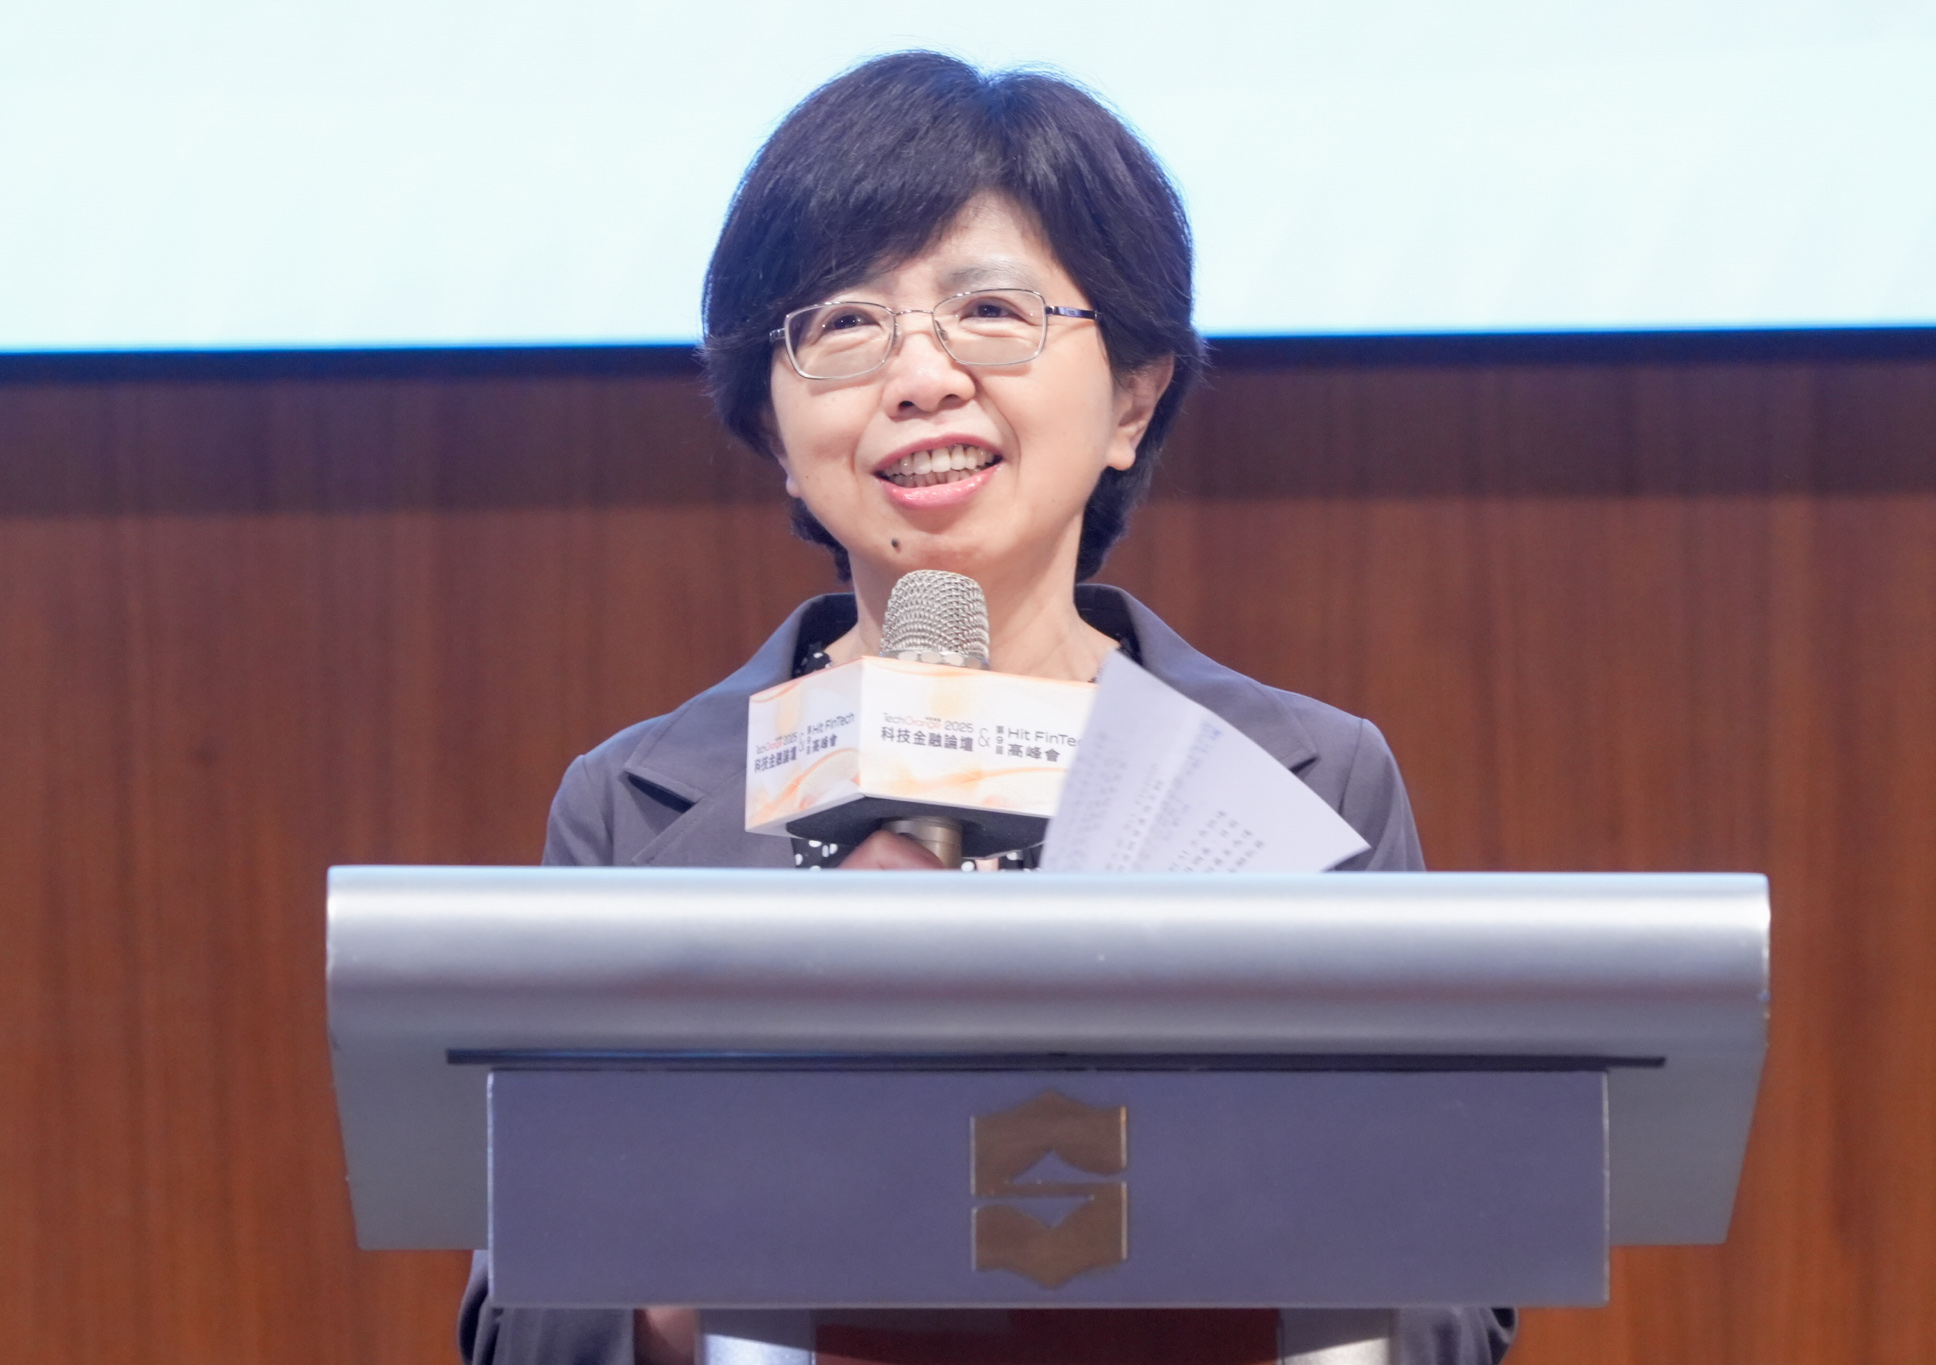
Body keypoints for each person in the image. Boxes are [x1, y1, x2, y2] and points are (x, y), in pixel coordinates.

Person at [459, 50, 1516, 1365]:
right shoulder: (634, 805)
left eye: (992, 312)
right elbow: (525, 1323)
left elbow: (1456, 1304)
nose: (921, 375)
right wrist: (731, 1222)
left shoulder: (1313, 779)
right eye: (845, 326)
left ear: (1133, 398)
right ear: (778, 434)